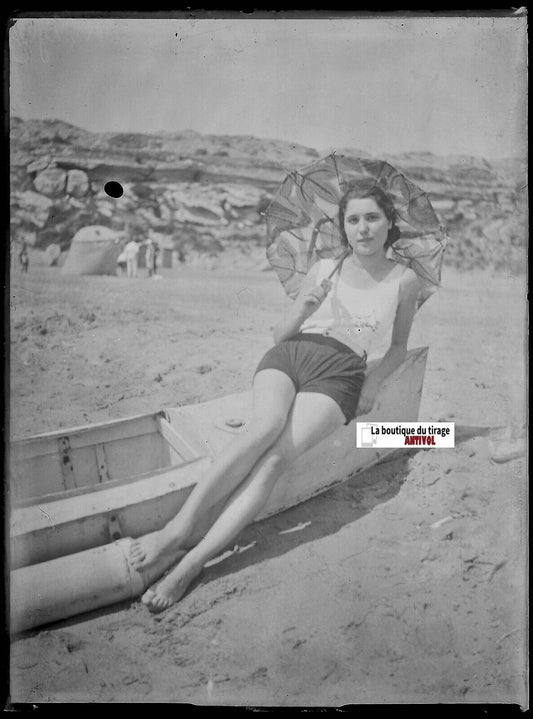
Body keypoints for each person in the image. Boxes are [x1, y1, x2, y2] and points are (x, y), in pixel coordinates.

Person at [130, 179, 421, 612]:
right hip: (291, 353)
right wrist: (303, 307)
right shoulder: (327, 267)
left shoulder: (404, 280)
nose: (362, 228)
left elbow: (397, 348)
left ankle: (192, 562)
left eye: (372, 218)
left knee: (274, 461)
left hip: (341, 374)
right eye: (353, 219)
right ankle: (175, 532)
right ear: (343, 226)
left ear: (389, 222)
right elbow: (279, 334)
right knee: (261, 427)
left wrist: (374, 384)